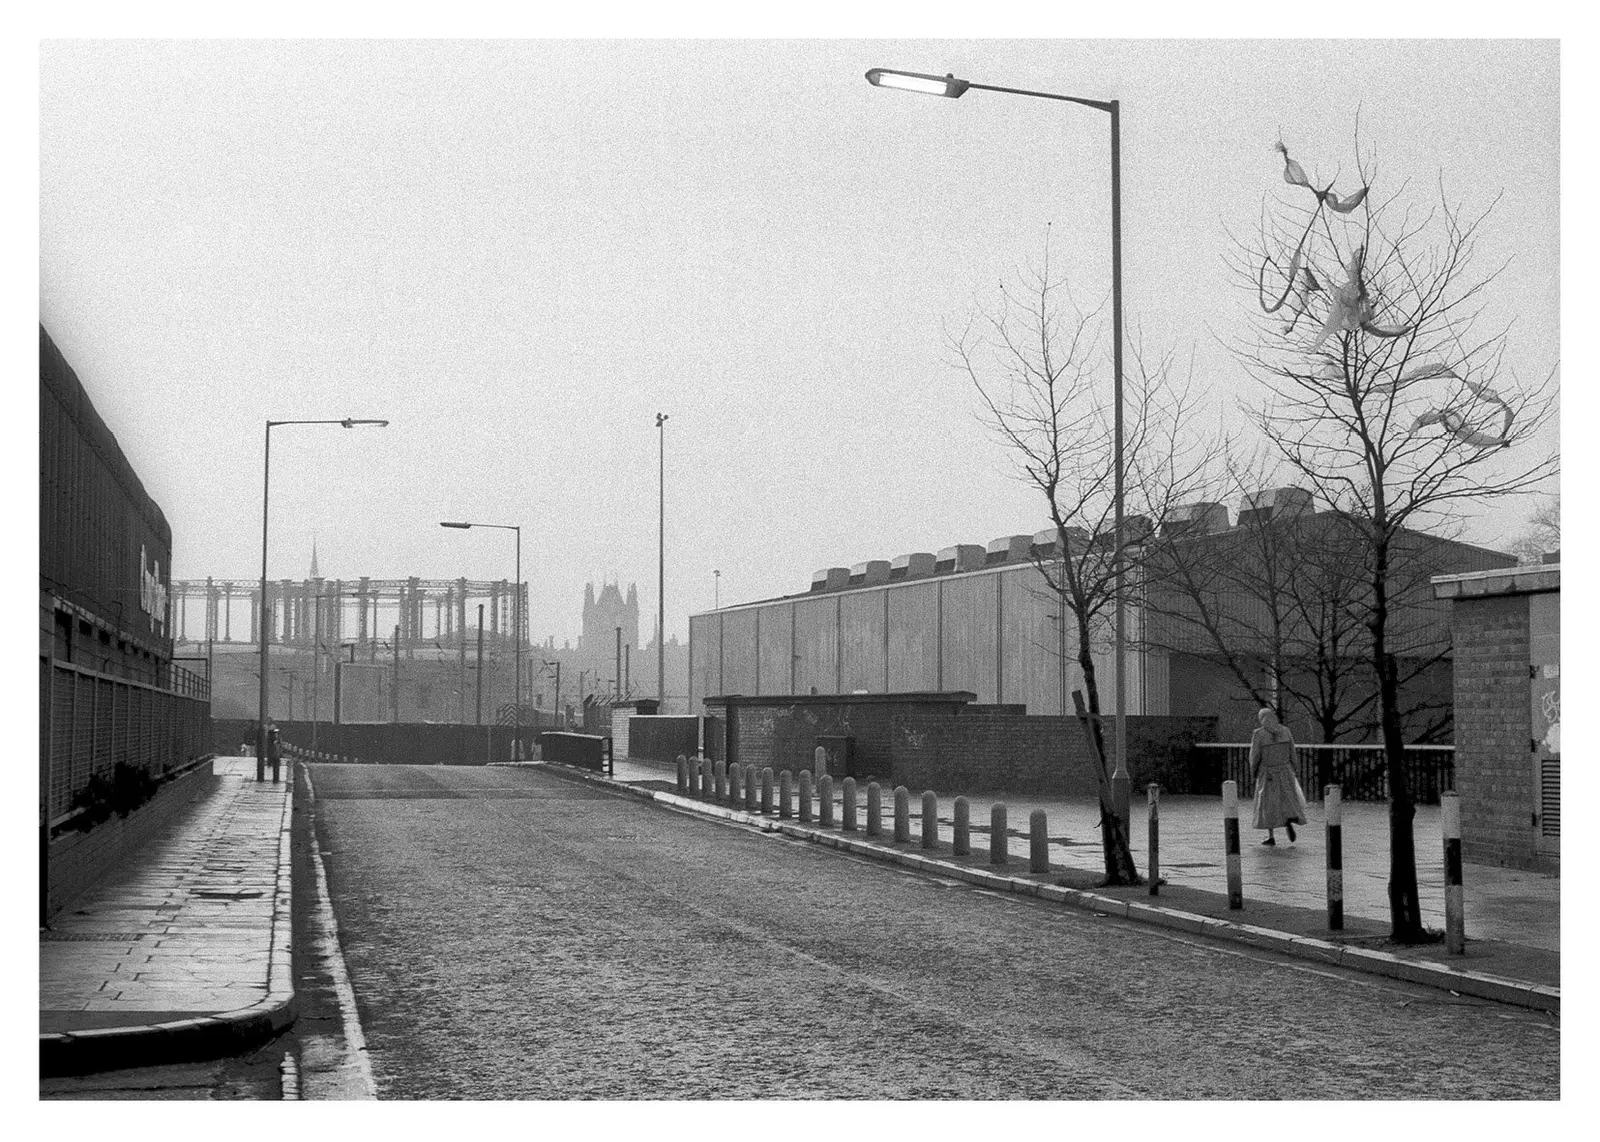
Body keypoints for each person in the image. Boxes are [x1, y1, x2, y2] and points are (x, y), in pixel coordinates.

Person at [1250, 707, 1307, 845]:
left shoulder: (1259, 734)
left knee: (1267, 803)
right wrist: (1295, 767)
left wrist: (1254, 771)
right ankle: (1288, 819)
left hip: (1268, 772)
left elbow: (1255, 755)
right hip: (1285, 771)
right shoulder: (1285, 731)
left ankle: (1271, 836)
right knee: (1287, 798)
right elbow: (1292, 751)